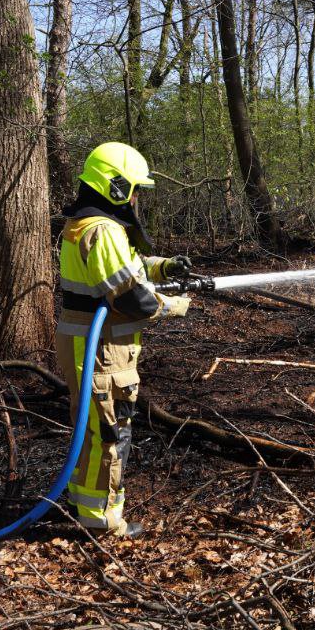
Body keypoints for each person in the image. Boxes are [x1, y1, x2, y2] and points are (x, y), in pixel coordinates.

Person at [57, 142, 191, 538]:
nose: (136, 198)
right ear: (115, 186)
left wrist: (165, 267)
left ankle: (85, 505)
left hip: (95, 346)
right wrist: (171, 306)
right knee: (109, 433)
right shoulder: (100, 229)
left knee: (95, 431)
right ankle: (101, 522)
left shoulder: (93, 223)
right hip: (99, 351)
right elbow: (131, 297)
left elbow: (126, 266)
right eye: (134, 189)